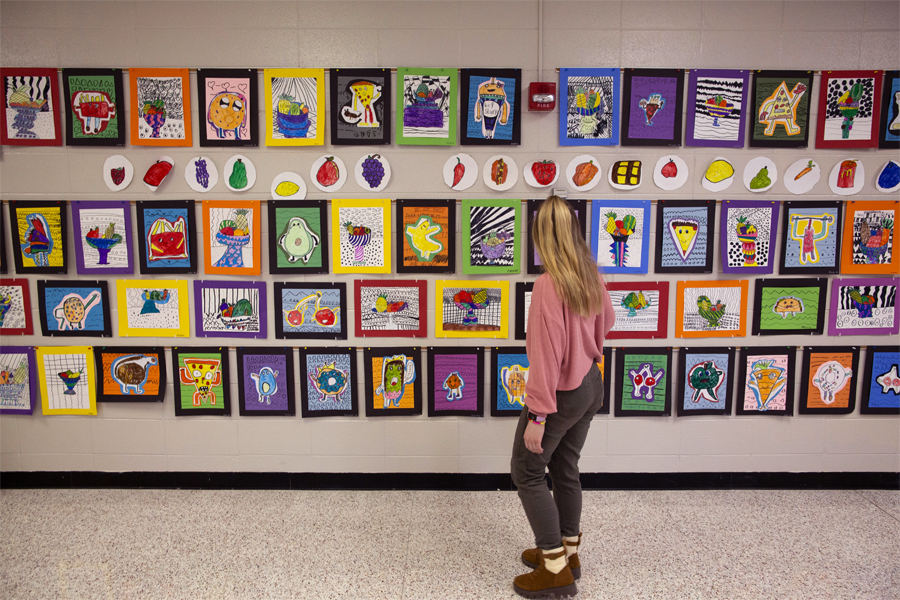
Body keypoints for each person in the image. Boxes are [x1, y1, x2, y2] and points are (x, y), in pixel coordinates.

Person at [511, 195, 614, 599]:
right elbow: (608, 319)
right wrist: (589, 349)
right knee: (566, 467)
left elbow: (545, 354)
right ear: (573, 231)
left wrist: (537, 416)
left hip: (562, 393)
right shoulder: (589, 273)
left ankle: (553, 567)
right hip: (591, 384)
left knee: (528, 471)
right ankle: (569, 553)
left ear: (540, 235)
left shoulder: (547, 284)